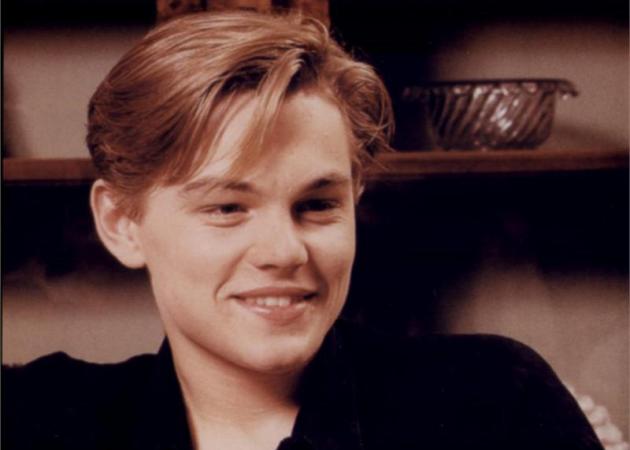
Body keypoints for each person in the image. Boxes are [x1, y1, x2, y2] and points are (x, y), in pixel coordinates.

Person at [2, 10, 604, 450]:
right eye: (227, 208)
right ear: (121, 223)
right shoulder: (40, 418)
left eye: (317, 205)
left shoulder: (493, 401)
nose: (285, 251)